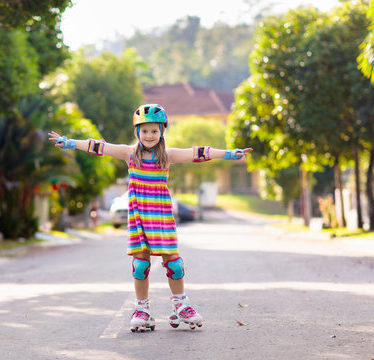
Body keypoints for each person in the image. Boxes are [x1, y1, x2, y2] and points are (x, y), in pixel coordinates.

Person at [49, 104, 252, 332]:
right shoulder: (129, 153)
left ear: (161, 132)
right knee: (140, 265)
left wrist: (228, 154)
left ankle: (181, 305)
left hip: (162, 216)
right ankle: (142, 309)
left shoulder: (167, 156)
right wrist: (70, 142)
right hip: (139, 216)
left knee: (174, 264)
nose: (149, 135)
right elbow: (99, 147)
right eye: (144, 131)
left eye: (154, 131)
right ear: (138, 132)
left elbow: (198, 153)